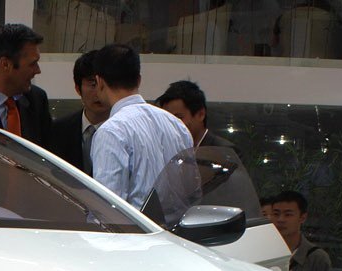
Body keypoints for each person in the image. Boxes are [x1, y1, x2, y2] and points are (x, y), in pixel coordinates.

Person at [89, 44, 192, 209]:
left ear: (100, 82)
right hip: (177, 225)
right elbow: (190, 191)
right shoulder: (177, 125)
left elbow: (108, 209)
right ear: (138, 80)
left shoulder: (111, 132)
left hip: (134, 226)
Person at [50, 50, 109, 175]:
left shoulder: (124, 130)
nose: (99, 92)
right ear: (78, 88)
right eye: (93, 84)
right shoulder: (58, 129)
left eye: (104, 84)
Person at [155, 80, 239, 156]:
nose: (172, 125)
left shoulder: (225, 151)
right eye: (167, 119)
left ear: (200, 114)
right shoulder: (167, 150)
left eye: (178, 118)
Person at [272, 190, 331, 271]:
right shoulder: (264, 252)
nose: (280, 219)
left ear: (302, 217)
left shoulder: (317, 258)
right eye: (276, 214)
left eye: (288, 214)